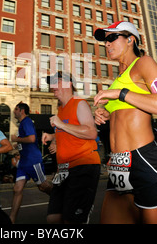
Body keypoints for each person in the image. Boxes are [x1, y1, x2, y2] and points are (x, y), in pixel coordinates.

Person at [93, 21, 157, 224]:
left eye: (112, 38)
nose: (106, 44)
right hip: (118, 163)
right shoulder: (118, 79)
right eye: (105, 40)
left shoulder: (144, 63)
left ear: (130, 40)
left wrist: (121, 93)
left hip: (145, 159)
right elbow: (127, 110)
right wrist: (105, 113)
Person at [42, 71, 101, 224]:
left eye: (57, 82)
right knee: (53, 218)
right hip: (63, 169)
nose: (52, 86)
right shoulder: (61, 109)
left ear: (68, 84)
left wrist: (60, 124)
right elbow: (69, 130)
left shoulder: (79, 103)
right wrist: (52, 136)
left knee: (72, 221)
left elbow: (91, 132)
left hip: (82, 166)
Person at [9, 102, 52, 223]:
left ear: (22, 111)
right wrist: (18, 144)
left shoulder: (26, 121)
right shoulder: (22, 124)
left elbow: (32, 138)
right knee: (17, 189)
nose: (14, 111)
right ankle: (11, 220)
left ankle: (60, 199)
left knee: (43, 187)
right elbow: (27, 140)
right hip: (23, 162)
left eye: (16, 109)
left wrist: (16, 139)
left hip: (33, 161)